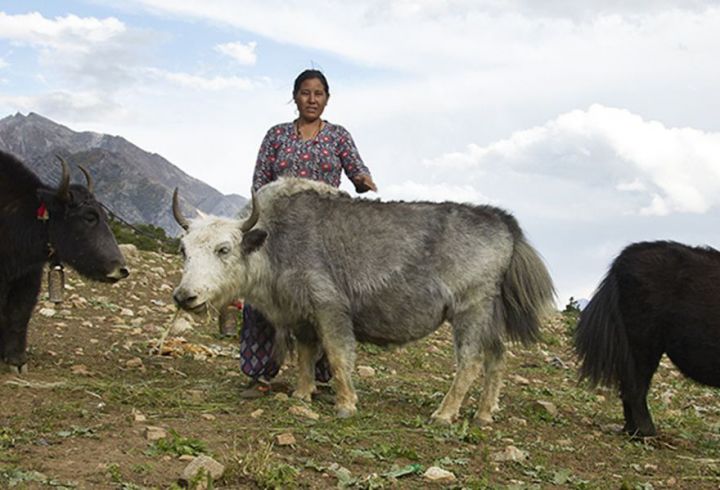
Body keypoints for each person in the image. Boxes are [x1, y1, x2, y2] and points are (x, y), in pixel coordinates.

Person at [239, 69, 377, 398]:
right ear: (295, 96)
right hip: (279, 234)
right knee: (260, 299)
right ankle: (260, 375)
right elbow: (260, 184)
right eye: (305, 92)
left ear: (327, 99)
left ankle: (323, 378)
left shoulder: (338, 136)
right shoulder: (276, 136)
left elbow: (357, 168)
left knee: (325, 301)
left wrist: (362, 181)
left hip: (324, 235)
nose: (312, 99)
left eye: (318, 94)